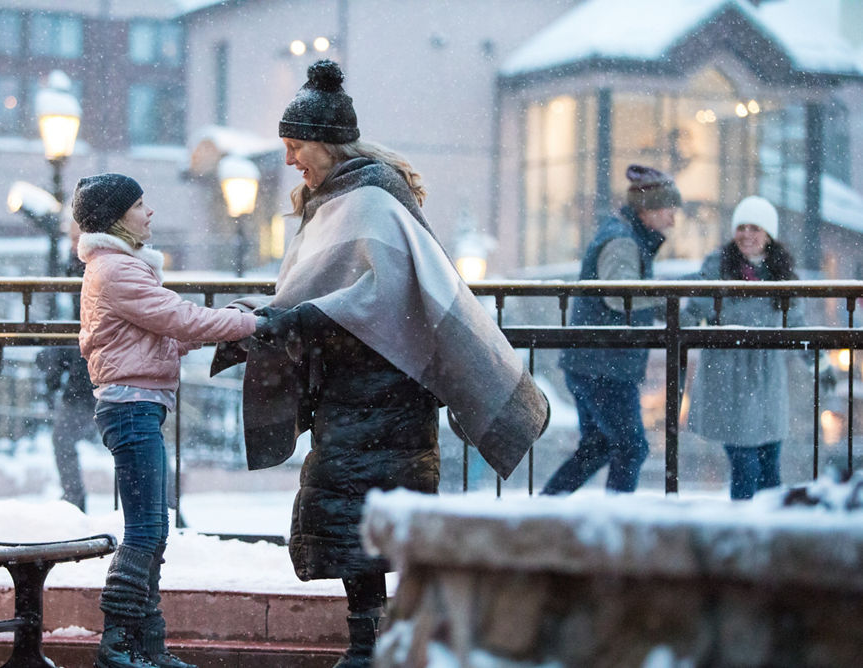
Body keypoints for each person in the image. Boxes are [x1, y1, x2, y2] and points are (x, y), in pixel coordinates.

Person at [212, 59, 550, 668]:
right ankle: (373, 641)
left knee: (366, 513)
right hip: (358, 389)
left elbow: (380, 294)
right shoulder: (335, 201)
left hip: (385, 388)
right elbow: (324, 289)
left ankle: (379, 643)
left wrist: (300, 319)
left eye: (295, 147)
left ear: (324, 143)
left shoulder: (369, 202)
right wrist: (276, 312)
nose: (289, 160)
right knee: (357, 513)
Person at [73, 173, 258, 668]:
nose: (148, 212)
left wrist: (223, 323)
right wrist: (251, 321)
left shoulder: (118, 268)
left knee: (154, 530)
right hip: (130, 409)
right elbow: (179, 319)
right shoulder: (118, 271)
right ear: (116, 219)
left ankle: (147, 648)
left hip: (136, 406)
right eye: (139, 204)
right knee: (146, 529)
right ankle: (116, 644)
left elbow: (167, 336)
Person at [543, 164, 681, 495]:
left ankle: (546, 506)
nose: (673, 220)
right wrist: (666, 302)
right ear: (648, 209)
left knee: (600, 445)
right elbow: (620, 296)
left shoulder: (622, 234)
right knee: (631, 447)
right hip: (606, 364)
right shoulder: (622, 241)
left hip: (593, 360)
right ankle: (615, 521)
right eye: (669, 210)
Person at [683, 195, 831, 500]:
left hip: (766, 377)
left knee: (769, 466)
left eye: (755, 228)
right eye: (742, 227)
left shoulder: (782, 274)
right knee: (745, 465)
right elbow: (696, 308)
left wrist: (820, 363)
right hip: (728, 376)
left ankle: (769, 533)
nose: (747, 234)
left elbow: (797, 325)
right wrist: (668, 316)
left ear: (769, 234)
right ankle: (746, 531)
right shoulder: (718, 266)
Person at [36, 219, 95, 512]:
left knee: (132, 442)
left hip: (93, 374)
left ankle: (75, 500)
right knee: (64, 438)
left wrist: (56, 366)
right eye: (71, 237)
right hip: (85, 374)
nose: (74, 243)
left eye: (78, 237)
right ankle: (74, 500)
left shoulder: (90, 268)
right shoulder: (73, 267)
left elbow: (78, 326)